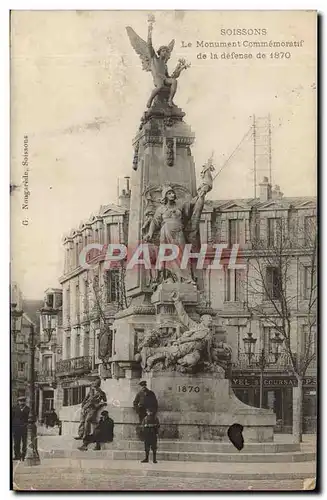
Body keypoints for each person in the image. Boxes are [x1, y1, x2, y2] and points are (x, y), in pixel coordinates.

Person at [12, 396, 29, 461]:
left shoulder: (28, 409)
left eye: (23, 401)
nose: (21, 402)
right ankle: (17, 455)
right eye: (20, 401)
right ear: (18, 402)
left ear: (25, 402)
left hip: (24, 428)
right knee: (16, 443)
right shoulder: (14, 408)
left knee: (24, 443)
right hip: (16, 428)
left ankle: (23, 456)